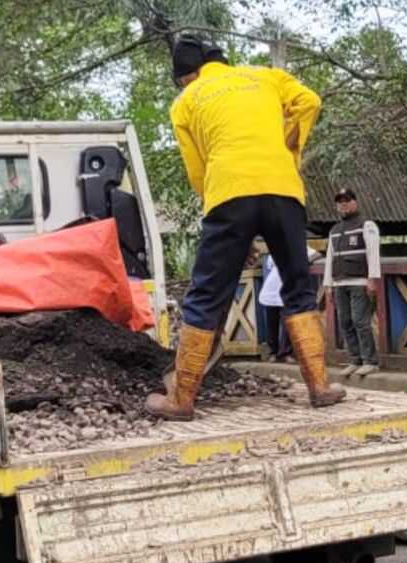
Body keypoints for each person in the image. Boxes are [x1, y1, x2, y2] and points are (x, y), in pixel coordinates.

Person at [146, 33, 344, 420]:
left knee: (206, 293)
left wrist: (227, 223)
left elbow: (197, 170)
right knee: (297, 285)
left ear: (187, 76)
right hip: (284, 192)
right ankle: (320, 387)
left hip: (229, 194)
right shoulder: (266, 76)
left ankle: (181, 399)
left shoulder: (187, 100)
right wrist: (288, 147)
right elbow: (310, 101)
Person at [328, 189, 380, 377]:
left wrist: (372, 279)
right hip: (339, 282)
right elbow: (330, 258)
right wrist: (328, 285)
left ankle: (370, 361)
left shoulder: (366, 225)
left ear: (354, 202)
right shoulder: (334, 230)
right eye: (340, 201)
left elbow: (373, 253)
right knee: (345, 321)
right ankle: (355, 359)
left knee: (360, 320)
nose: (343, 204)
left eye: (347, 200)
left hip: (359, 280)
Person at [259, 245, 320, 362]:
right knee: (272, 324)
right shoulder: (275, 248)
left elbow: (316, 255)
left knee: (288, 324)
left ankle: (285, 353)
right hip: (271, 290)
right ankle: (273, 352)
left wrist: (301, 263)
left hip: (288, 291)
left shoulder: (299, 246)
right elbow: (270, 266)